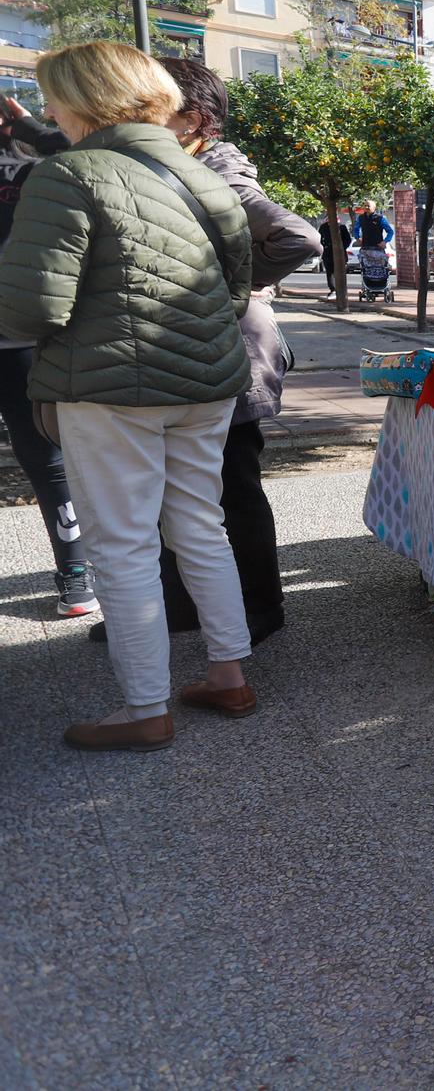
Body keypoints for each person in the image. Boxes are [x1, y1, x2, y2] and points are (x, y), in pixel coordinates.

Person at [0, 42, 253, 753]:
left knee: (124, 545)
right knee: (201, 526)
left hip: (110, 388)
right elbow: (233, 289)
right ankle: (229, 674)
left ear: (82, 100)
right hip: (207, 382)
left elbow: (29, 310)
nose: (47, 109)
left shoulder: (67, 175)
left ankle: (145, 707)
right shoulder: (196, 171)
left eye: (52, 97)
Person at [146, 58, 321, 646]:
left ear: (194, 120)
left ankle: (262, 607)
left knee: (233, 483)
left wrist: (223, 288)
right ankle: (180, 608)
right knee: (168, 487)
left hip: (231, 348)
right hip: (179, 350)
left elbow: (297, 236)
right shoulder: (164, 162)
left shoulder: (216, 169)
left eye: (152, 107)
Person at [0, 98, 96, 617]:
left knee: (46, 458)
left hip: (19, 335)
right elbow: (86, 157)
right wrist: (33, 129)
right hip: (21, 333)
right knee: (46, 458)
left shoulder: (39, 165)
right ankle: (77, 577)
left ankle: (78, 575)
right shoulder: (40, 162)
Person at [317, 213, 350, 296]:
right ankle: (333, 289)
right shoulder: (323, 227)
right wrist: (323, 247)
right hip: (328, 253)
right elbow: (319, 239)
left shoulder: (342, 227)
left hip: (340, 253)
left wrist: (342, 248)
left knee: (340, 272)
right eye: (327, 219)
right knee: (330, 272)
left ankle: (342, 290)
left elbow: (347, 240)